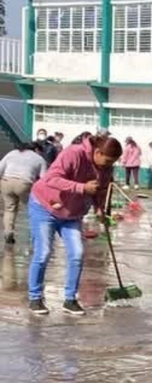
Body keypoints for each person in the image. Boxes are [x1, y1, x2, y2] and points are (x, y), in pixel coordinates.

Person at [27, 134, 120, 316]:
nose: (108, 165)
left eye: (113, 162)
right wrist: (81, 187)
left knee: (77, 254)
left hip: (72, 214)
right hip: (44, 206)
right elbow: (51, 179)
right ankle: (35, 297)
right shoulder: (73, 153)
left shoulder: (106, 168)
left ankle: (70, 299)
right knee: (43, 252)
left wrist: (100, 209)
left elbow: (99, 190)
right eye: (107, 161)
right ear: (98, 152)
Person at [0, 141, 49, 245]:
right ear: (36, 149)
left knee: (9, 209)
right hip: (24, 183)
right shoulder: (39, 159)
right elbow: (44, 179)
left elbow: (0, 169)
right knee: (34, 208)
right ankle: (35, 235)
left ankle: (8, 232)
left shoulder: (12, 153)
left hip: (6, 182)